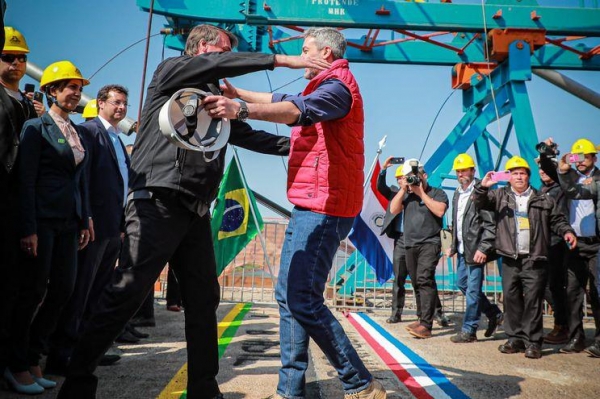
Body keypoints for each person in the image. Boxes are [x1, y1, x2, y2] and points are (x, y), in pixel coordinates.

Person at [58, 24, 329, 399]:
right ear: (202, 48)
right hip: (157, 198)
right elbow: (225, 65)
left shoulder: (215, 100)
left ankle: (204, 388)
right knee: (128, 290)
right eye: (223, 51)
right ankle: (76, 382)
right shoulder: (171, 73)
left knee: (204, 299)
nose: (227, 59)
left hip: (195, 208)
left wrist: (306, 147)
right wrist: (286, 59)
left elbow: (249, 135)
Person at [204, 27, 386, 399]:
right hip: (313, 204)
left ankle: (359, 383)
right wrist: (240, 93)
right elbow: (282, 96)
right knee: (288, 296)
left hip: (324, 208)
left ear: (327, 55)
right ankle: (290, 390)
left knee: (302, 298)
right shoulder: (326, 85)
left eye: (306, 52)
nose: (301, 58)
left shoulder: (336, 88)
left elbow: (294, 110)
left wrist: (241, 109)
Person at [5, 60, 91, 394]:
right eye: (70, 87)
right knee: (33, 292)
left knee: (62, 291)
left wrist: (84, 219)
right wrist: (28, 228)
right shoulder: (35, 128)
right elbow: (25, 181)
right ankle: (15, 364)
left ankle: (32, 357)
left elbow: (78, 180)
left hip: (69, 223)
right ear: (51, 90)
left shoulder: (76, 131)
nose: (76, 93)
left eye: (79, 88)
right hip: (42, 222)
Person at [47, 85, 134, 374]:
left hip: (112, 228)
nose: (121, 108)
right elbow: (83, 180)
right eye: (116, 102)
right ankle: (63, 354)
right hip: (94, 228)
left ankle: (86, 352)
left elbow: (120, 184)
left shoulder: (117, 139)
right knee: (80, 292)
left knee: (97, 293)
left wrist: (121, 224)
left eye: (124, 103)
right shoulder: (90, 131)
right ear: (100, 103)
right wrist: (88, 218)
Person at [472, 156, 576, 359]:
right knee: (511, 300)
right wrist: (482, 187)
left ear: (528, 176)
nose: (519, 177)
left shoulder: (543, 198)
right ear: (509, 177)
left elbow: (557, 220)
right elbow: (479, 203)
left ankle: (533, 342)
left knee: (533, 301)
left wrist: (567, 232)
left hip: (534, 258)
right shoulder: (499, 196)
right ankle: (515, 339)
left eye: (522, 173)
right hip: (510, 258)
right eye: (515, 173)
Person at [0, 26, 39, 380]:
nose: (16, 63)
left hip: (23, 210)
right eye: (8, 57)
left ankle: (16, 360)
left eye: (22, 58)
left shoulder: (27, 104)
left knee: (21, 290)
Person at [378, 158, 447, 326]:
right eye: (404, 177)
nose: (407, 179)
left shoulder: (436, 193)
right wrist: (398, 184)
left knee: (424, 280)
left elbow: (439, 211)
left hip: (427, 242)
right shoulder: (401, 193)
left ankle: (431, 315)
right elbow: (391, 205)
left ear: (424, 175)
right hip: (404, 241)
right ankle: (399, 313)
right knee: (402, 278)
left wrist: (419, 192)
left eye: (411, 176)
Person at [446, 153, 503, 343]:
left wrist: (484, 248)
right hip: (463, 249)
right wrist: (453, 246)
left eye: (465, 170)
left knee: (472, 290)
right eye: (459, 171)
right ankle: (493, 312)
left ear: (473, 170)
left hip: (476, 250)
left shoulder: (481, 192)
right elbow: (457, 221)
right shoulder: (457, 193)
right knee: (462, 283)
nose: (462, 174)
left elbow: (489, 224)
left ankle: (469, 330)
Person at [555, 138, 600, 357]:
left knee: (597, 293)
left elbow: (578, 192)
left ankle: (599, 341)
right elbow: (548, 170)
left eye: (585, 157)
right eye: (576, 157)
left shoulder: (598, 180)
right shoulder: (568, 178)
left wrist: (565, 175)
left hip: (597, 244)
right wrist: (552, 158)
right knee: (572, 292)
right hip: (575, 244)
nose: (580, 162)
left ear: (594, 157)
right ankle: (576, 338)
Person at [536, 154, 570, 345]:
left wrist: (545, 155)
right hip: (544, 242)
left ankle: (563, 325)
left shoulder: (561, 187)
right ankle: (563, 322)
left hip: (557, 242)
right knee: (548, 285)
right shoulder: (542, 190)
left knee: (555, 285)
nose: (542, 172)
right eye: (539, 170)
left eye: (545, 169)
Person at [378, 159, 408, 323]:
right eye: (398, 178)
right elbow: (380, 187)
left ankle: (437, 313)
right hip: (401, 239)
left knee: (423, 280)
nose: (400, 180)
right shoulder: (395, 192)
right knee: (398, 278)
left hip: (416, 239)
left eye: (403, 177)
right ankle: (396, 313)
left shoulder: (417, 193)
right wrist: (383, 170)